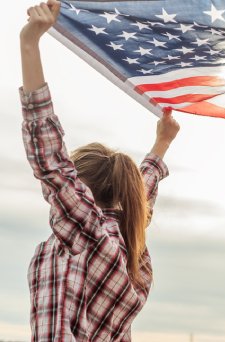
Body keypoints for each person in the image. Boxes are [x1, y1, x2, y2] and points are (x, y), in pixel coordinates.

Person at [20, 1, 180, 340]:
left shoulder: (86, 237)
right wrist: (161, 144)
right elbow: (141, 193)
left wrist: (30, 44)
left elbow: (52, 166)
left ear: (82, 191)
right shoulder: (125, 245)